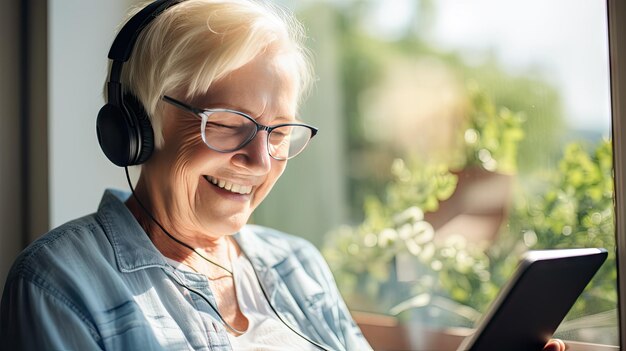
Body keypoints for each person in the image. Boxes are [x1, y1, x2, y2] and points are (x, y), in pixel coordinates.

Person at [0, 1, 566, 350]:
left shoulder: (297, 264)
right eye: (228, 123)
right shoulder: (60, 285)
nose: (261, 159)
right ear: (138, 123)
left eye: (277, 131)